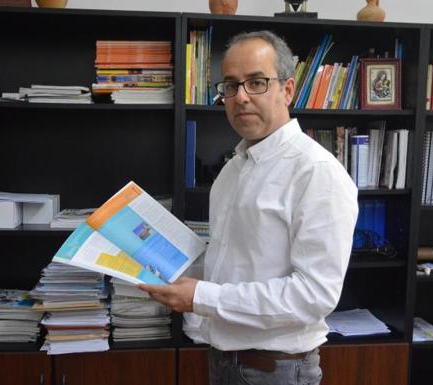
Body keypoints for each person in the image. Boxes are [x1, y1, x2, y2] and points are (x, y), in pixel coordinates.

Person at [139, 31, 358, 385]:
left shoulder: (316, 172)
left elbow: (314, 295)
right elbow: (232, 264)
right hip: (223, 359)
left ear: (287, 90)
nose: (240, 97)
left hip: (278, 370)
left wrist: (200, 296)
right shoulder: (232, 170)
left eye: (256, 82)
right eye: (230, 85)